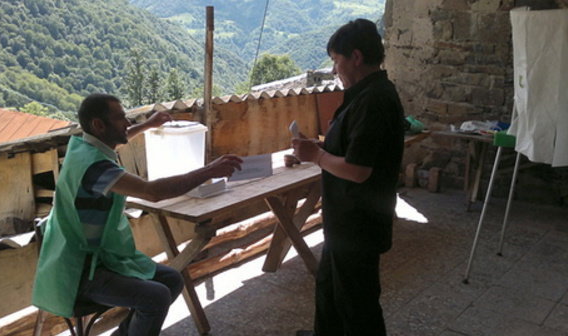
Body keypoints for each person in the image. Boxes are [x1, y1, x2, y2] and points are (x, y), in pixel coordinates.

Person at [32, 93, 243, 336]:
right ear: (98, 125)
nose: (128, 124)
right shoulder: (95, 167)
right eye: (121, 118)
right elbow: (152, 192)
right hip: (79, 271)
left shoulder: (84, 147)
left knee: (173, 280)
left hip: (100, 259)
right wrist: (209, 170)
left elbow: (118, 138)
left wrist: (149, 125)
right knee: (156, 296)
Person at [292, 19, 404, 336]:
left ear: (355, 57)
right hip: (346, 221)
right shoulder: (365, 94)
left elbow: (359, 170)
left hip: (359, 222)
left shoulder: (374, 100)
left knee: (358, 304)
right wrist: (321, 147)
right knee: (329, 286)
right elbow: (353, 149)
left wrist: (317, 156)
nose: (334, 70)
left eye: (336, 61)